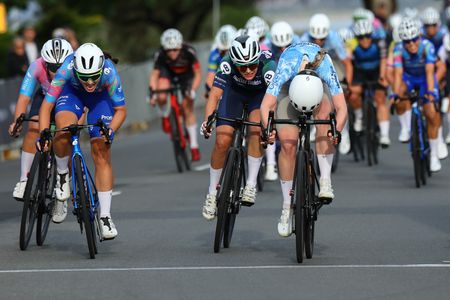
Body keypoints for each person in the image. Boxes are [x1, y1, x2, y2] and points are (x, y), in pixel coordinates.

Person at [38, 43, 127, 239]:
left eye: (94, 77)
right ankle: (63, 175)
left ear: (101, 70)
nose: (89, 82)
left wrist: (110, 130)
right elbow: (46, 106)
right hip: (72, 95)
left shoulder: (110, 71)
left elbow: (121, 111)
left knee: (102, 151)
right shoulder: (67, 69)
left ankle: (105, 216)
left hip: (100, 100)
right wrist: (44, 133)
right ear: (76, 70)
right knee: (62, 131)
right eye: (84, 77)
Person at [260, 41, 347, 237]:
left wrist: (337, 131)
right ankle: (286, 207)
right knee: (288, 145)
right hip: (289, 90)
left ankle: (325, 180)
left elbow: (342, 108)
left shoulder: (325, 65)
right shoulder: (285, 67)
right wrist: (268, 130)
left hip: (317, 89)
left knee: (325, 117)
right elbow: (266, 106)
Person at [201, 34, 277, 220]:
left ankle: (250, 183)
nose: (249, 70)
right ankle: (211, 195)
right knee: (222, 140)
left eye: (252, 65)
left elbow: (273, 101)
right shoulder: (226, 63)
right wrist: (207, 121)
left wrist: (270, 128)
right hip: (234, 94)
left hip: (259, 97)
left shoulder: (268, 65)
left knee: (256, 130)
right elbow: (215, 95)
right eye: (243, 67)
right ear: (235, 62)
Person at [9, 38, 73, 201]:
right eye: (53, 67)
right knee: (32, 129)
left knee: (66, 140)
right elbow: (24, 99)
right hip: (44, 98)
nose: (58, 71)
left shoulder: (74, 68)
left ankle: (64, 188)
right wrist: (16, 122)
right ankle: (24, 180)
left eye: (61, 66)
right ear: (45, 64)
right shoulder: (36, 66)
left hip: (67, 99)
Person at [391, 18, 442, 172]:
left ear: (419, 36)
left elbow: (429, 71)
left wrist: (431, 93)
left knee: (431, 112)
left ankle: (434, 155)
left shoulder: (427, 47)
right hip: (409, 79)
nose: (411, 44)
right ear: (403, 41)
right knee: (398, 95)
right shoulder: (398, 49)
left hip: (426, 80)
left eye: (414, 40)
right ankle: (406, 128)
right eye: (407, 41)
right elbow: (398, 73)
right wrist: (395, 94)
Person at [300, 13, 352, 154]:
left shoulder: (334, 38)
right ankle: (312, 126)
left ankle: (344, 132)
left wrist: (348, 83)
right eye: (314, 38)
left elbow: (347, 63)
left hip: (333, 64)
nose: (318, 41)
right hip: (314, 64)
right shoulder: (304, 39)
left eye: (322, 39)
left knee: (341, 99)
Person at [149, 28, 202, 161]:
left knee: (187, 106)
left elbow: (197, 74)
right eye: (169, 50)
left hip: (187, 76)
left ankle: (194, 146)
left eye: (175, 49)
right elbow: (154, 75)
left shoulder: (189, 51)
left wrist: (193, 90)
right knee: (161, 94)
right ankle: (165, 115)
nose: (172, 53)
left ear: (180, 46)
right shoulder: (160, 54)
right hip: (168, 74)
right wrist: (152, 93)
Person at [347, 19, 390, 147]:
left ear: (372, 35)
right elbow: (348, 62)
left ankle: (384, 135)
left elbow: (384, 60)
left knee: (380, 98)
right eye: (361, 37)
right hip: (360, 72)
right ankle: (359, 116)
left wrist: (382, 77)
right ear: (356, 38)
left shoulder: (380, 43)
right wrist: (349, 83)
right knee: (354, 95)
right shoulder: (352, 44)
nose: (365, 40)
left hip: (376, 71)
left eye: (367, 36)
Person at [205, 25, 236, 98]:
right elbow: (211, 75)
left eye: (228, 51)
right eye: (223, 51)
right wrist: (210, 90)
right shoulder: (214, 53)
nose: (225, 55)